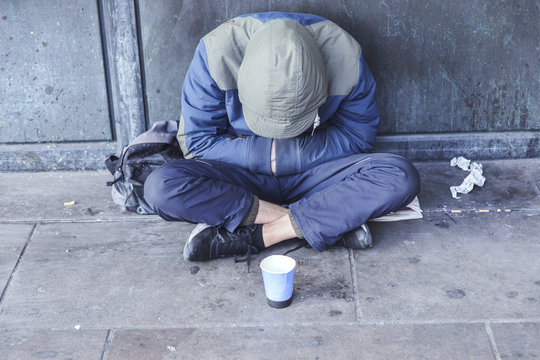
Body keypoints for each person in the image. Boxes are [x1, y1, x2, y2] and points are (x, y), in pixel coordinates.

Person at [144, 12, 420, 268]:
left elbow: (358, 137)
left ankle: (259, 236)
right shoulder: (214, 55)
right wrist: (263, 156)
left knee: (401, 176)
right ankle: (326, 222)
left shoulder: (346, 57)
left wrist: (291, 156)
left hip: (315, 174)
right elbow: (198, 142)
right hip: (241, 177)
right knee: (160, 187)